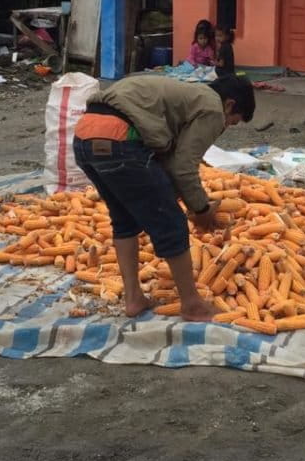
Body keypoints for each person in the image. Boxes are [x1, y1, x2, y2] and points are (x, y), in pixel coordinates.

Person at [72, 74, 256, 321]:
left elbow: (167, 164)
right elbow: (183, 167)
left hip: (84, 137)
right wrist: (201, 209)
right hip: (120, 140)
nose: (225, 127)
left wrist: (175, 195)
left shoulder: (185, 95)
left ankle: (133, 298)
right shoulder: (213, 107)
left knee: (124, 219)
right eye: (231, 123)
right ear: (230, 105)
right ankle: (192, 304)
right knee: (172, 222)